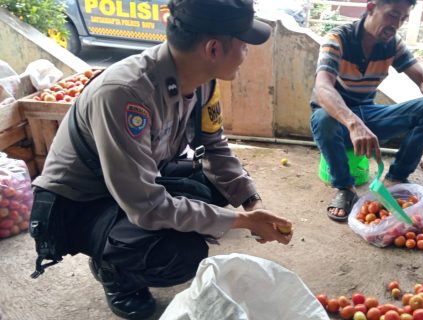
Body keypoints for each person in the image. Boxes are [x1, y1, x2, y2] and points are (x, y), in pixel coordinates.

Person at [28, 0, 293, 319]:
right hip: (83, 201)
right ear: (212, 49)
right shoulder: (125, 94)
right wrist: (244, 222)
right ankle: (114, 271)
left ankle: (122, 244)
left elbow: (214, 146)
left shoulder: (204, 81)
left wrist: (252, 203)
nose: (247, 53)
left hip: (135, 178)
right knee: (181, 255)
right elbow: (147, 207)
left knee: (214, 189)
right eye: (243, 44)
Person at [310, 0, 423, 222]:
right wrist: (353, 124)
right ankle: (345, 188)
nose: (396, 24)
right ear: (371, 8)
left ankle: (396, 178)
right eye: (393, 15)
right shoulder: (337, 39)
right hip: (338, 121)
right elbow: (322, 88)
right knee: (324, 118)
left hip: (369, 114)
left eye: (402, 19)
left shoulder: (392, 44)